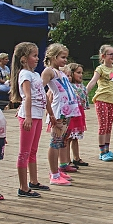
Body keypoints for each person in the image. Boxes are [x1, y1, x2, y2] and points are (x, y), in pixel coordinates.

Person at [10, 42, 47, 198]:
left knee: (33, 150)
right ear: (24, 59)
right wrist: (28, 117)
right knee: (24, 152)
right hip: (29, 116)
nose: (37, 59)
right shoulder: (25, 74)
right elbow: (27, 96)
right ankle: (23, 187)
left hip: (38, 115)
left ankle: (33, 180)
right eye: (34, 55)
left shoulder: (36, 74)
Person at [42, 43, 81, 186]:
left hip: (68, 110)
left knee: (61, 140)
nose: (65, 60)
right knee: (55, 141)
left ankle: (58, 169)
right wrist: (49, 111)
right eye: (62, 57)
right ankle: (54, 174)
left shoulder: (61, 72)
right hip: (59, 110)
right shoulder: (49, 71)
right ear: (53, 57)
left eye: (66, 57)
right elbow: (40, 89)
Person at [86, 44, 113, 162]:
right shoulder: (100, 69)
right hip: (101, 100)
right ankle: (102, 152)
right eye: (110, 54)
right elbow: (93, 81)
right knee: (103, 126)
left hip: (111, 101)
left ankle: (107, 150)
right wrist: (84, 93)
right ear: (103, 56)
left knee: (109, 126)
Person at [65, 62, 89, 168]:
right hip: (71, 113)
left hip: (79, 112)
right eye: (78, 73)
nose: (81, 75)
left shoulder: (81, 86)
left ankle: (76, 157)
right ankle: (66, 160)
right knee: (68, 138)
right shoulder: (69, 86)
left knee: (76, 137)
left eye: (81, 73)